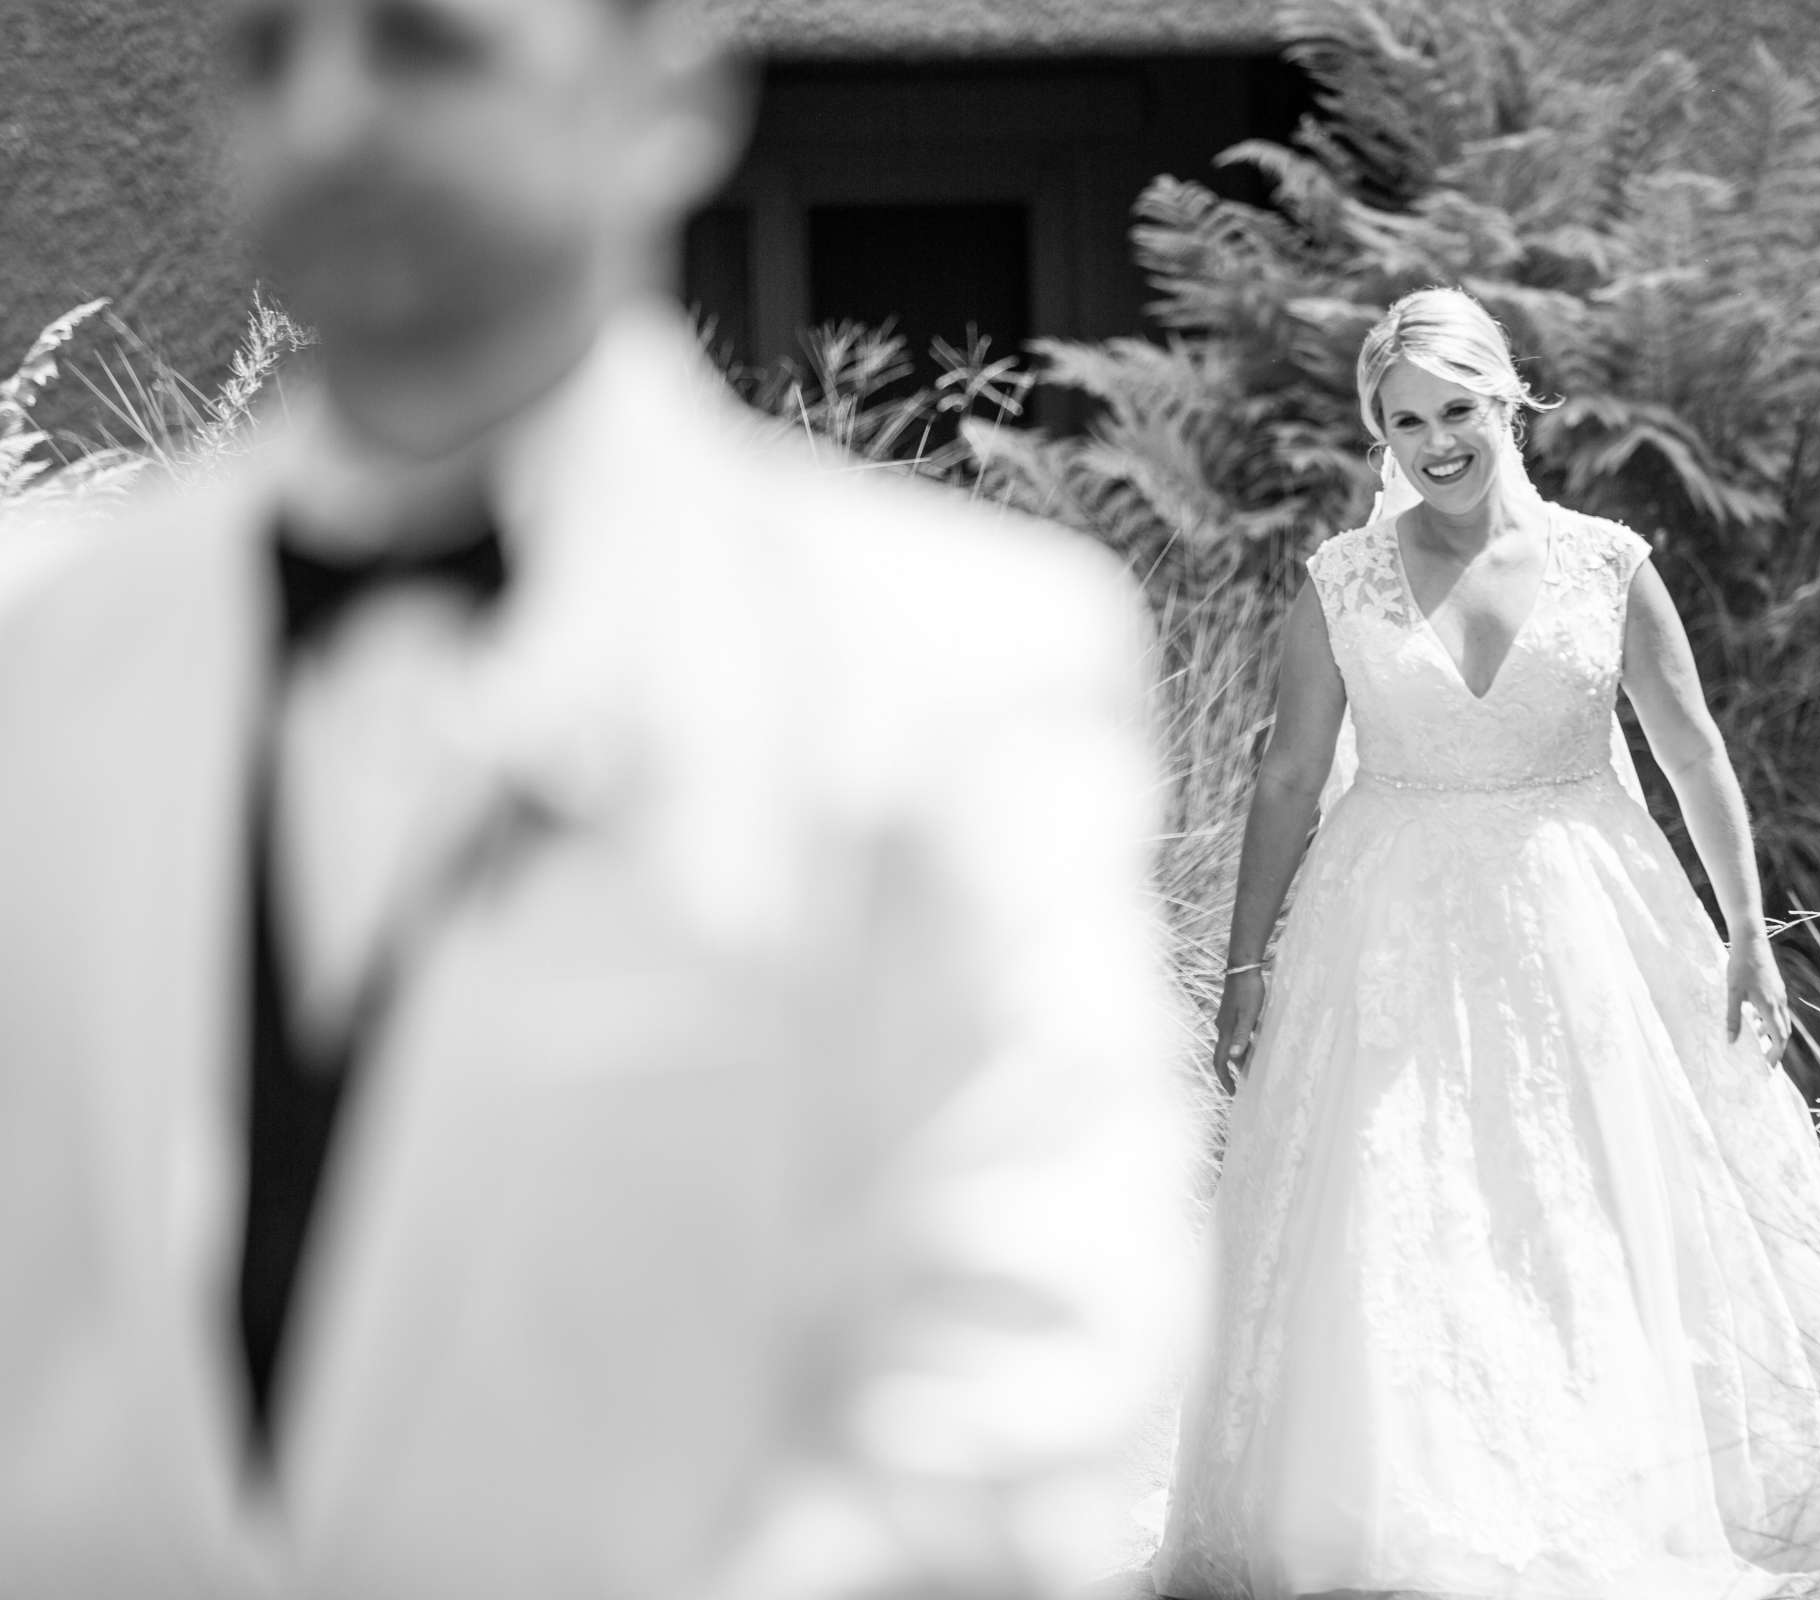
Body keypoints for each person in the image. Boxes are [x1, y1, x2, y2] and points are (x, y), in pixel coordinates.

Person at [0, 0, 1198, 1595]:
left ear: (674, 91)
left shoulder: (951, 662)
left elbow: (1012, 1382)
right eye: (269, 51)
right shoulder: (44, 647)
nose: (329, 117)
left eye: (426, 47)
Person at [1152, 288, 1820, 1599]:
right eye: (1404, 422)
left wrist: (1750, 932)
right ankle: (1394, 1507)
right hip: (1378, 929)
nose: (1434, 442)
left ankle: (1622, 1485)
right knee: (1399, 1200)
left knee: (1587, 1193)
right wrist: (1244, 962)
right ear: (1379, 437)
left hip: (1587, 921)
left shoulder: (1607, 562)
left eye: (1457, 410)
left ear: (1509, 401)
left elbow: (1691, 748)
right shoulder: (1340, 580)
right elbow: (1285, 779)